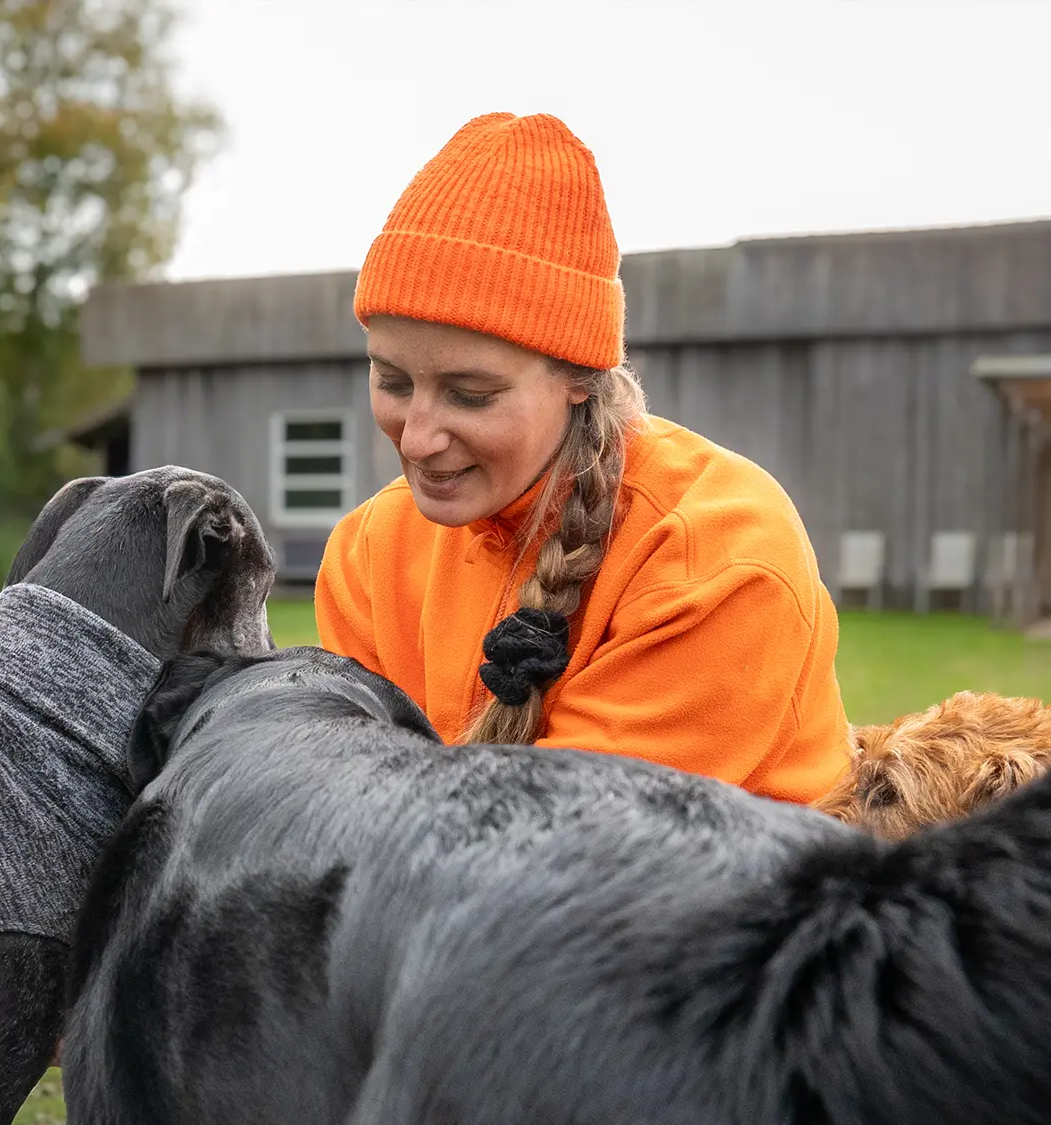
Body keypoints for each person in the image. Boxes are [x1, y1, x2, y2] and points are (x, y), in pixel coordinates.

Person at [315, 113, 851, 804]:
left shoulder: (714, 552)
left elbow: (570, 860)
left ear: (579, 377)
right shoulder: (369, 553)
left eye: (471, 395)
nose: (417, 438)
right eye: (392, 382)